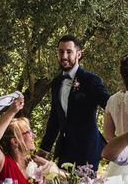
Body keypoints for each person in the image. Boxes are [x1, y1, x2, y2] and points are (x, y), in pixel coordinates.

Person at [39, 34, 110, 169]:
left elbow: (109, 105)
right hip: (64, 150)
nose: (64, 56)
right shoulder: (56, 83)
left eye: (69, 52)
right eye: (61, 52)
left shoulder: (91, 80)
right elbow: (55, 119)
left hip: (87, 151)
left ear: (78, 54)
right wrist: (44, 149)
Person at [0, 94, 44, 184]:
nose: (33, 136)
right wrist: (11, 112)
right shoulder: (3, 164)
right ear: (15, 142)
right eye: (28, 133)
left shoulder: (34, 165)